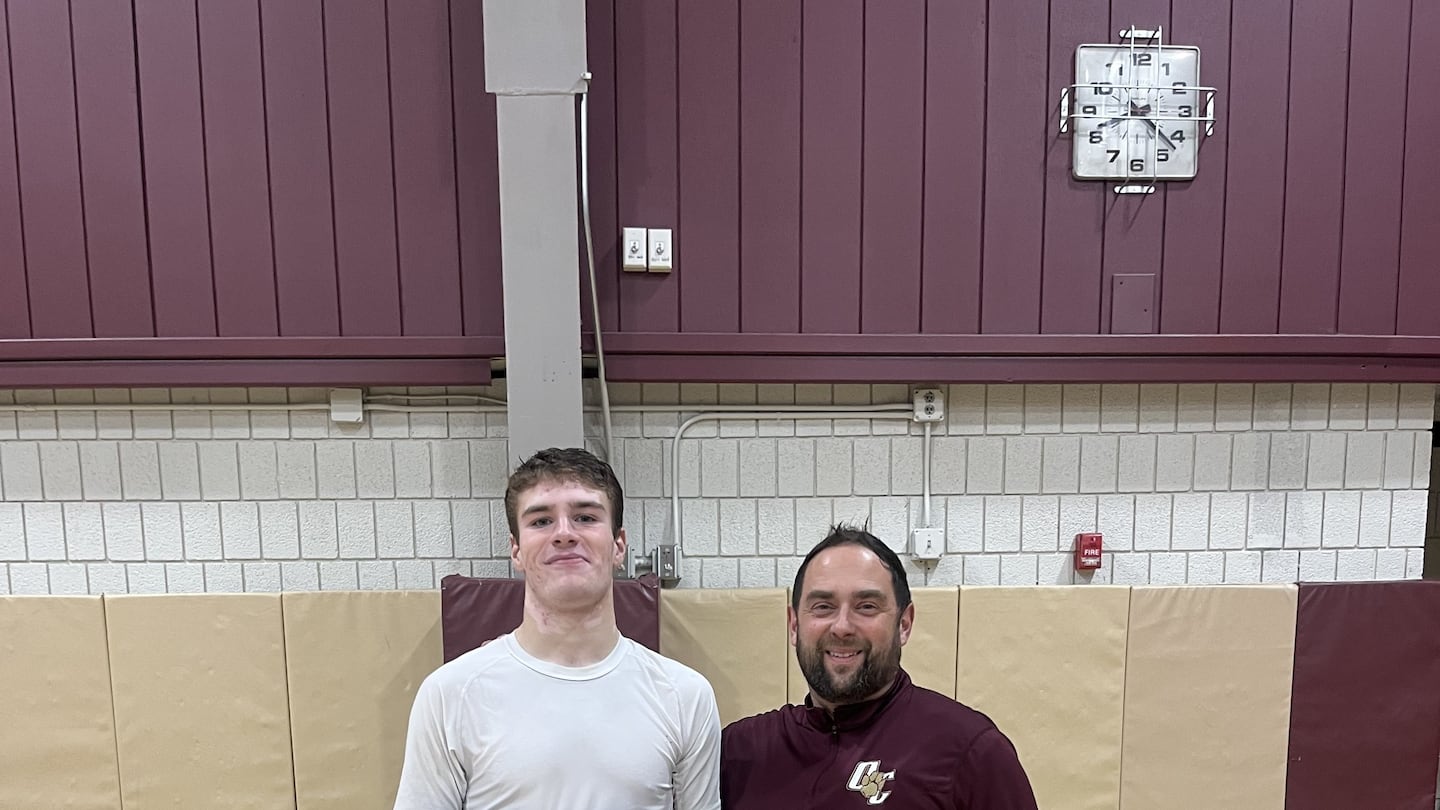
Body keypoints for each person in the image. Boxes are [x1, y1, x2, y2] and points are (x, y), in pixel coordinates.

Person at [394, 447, 722, 809]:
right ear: (516, 551)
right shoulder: (450, 694)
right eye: (541, 521)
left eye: (584, 517)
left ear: (618, 546)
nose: (564, 534)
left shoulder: (685, 696)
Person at [721, 525, 1037, 809]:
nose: (841, 626)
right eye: (823, 607)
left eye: (867, 607)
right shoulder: (739, 751)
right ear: (793, 625)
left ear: (904, 623)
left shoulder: (971, 751)